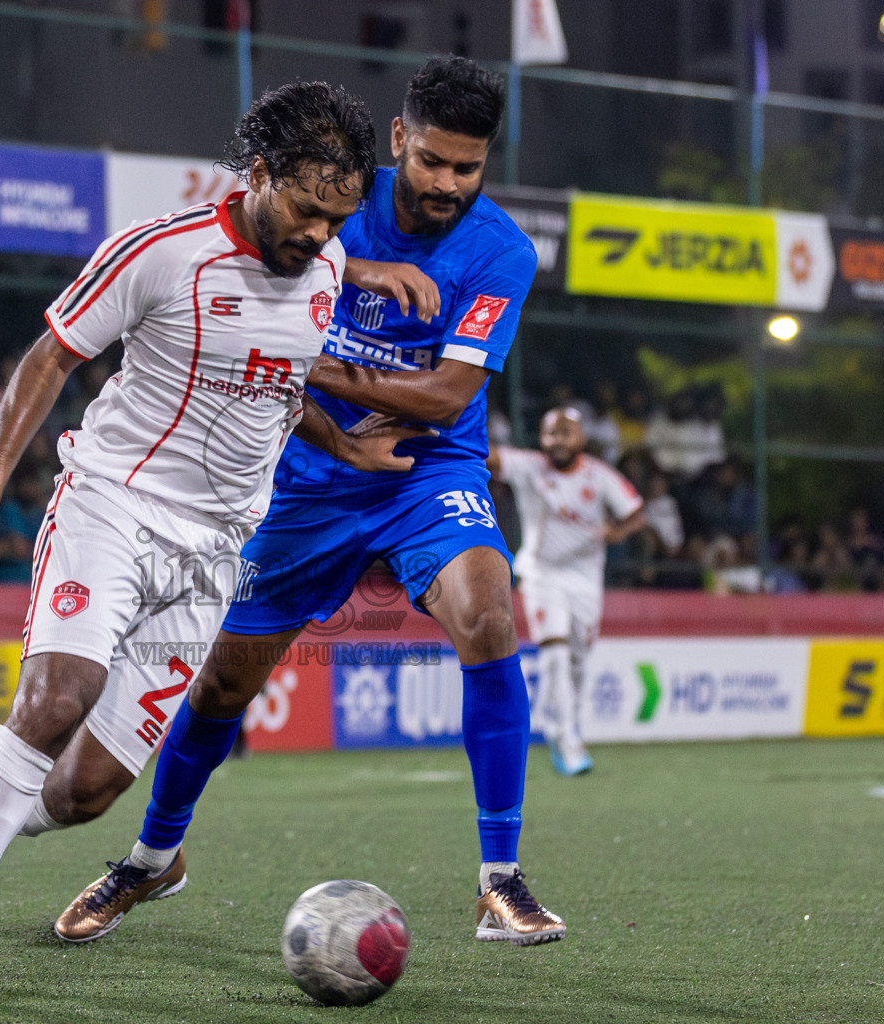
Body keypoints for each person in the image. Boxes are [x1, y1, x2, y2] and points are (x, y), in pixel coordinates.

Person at [0, 81, 407, 999]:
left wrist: (346, 443)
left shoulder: (320, 274)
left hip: (210, 556)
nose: (323, 237)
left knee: (84, 795)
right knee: (57, 695)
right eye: (310, 211)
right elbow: (52, 356)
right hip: (111, 507)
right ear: (261, 174)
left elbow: (281, 382)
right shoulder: (163, 252)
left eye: (339, 219)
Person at [56, 55, 562, 948]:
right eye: (434, 160)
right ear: (399, 139)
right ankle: (151, 859)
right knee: (219, 684)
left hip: (427, 472)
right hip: (305, 479)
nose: (448, 184)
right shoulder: (322, 193)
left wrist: (304, 364)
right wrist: (307, 373)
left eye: (468, 168)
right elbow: (239, 312)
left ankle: (501, 878)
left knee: (489, 613)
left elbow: (446, 397)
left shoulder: (501, 251)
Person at [490, 407, 645, 776]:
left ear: (582, 439)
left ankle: (568, 722)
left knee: (577, 659)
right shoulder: (530, 467)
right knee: (555, 653)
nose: (557, 441)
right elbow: (490, 456)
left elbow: (636, 512)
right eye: (550, 434)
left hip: (586, 581)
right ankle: (565, 738)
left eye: (566, 433)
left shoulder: (600, 475)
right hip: (542, 575)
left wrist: (615, 533)